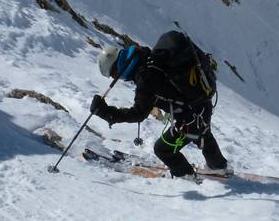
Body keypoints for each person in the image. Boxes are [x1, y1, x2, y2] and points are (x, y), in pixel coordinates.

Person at [89, 31, 229, 181]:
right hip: (201, 104)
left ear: (118, 69)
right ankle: (218, 167)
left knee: (163, 149)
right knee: (202, 132)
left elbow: (138, 113)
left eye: (113, 74)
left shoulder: (145, 78)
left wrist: (106, 113)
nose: (116, 78)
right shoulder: (146, 57)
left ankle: (185, 175)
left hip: (190, 118)